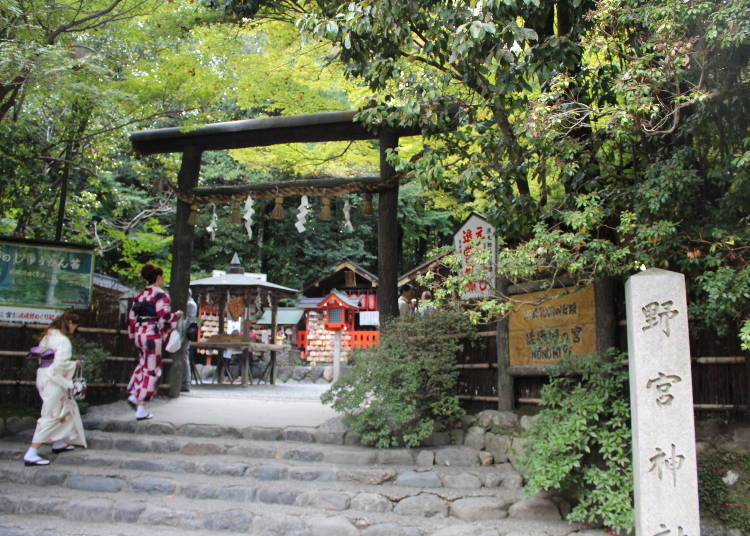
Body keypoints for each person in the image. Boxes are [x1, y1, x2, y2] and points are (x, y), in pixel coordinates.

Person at [23, 311, 87, 466]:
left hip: (44, 376)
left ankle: (58, 443)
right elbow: (59, 365)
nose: (75, 328)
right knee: (51, 415)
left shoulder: (47, 336)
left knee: (64, 409)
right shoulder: (63, 341)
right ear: (70, 323)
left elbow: (43, 357)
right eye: (75, 325)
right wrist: (75, 364)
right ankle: (31, 452)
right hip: (55, 380)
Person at [127, 262, 181, 420]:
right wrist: (176, 316)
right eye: (162, 276)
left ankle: (134, 392)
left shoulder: (140, 295)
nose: (163, 279)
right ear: (158, 277)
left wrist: (133, 335)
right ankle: (141, 405)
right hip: (152, 334)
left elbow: (131, 318)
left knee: (142, 365)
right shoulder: (161, 295)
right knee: (153, 370)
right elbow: (164, 319)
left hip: (139, 333)